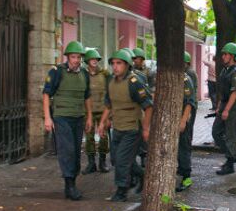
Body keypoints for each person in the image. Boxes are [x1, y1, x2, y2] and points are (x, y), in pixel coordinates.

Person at [99, 49, 153, 202]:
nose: (115, 67)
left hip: (132, 128)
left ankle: (121, 191)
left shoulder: (134, 82)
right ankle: (141, 175)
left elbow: (148, 106)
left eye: (119, 63)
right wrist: (103, 123)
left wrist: (146, 129)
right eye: (113, 63)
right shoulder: (111, 81)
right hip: (118, 127)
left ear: (127, 65)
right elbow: (108, 105)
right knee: (116, 159)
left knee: (122, 160)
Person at [42, 40, 92, 200]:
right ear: (68, 57)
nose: (76, 60)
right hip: (61, 117)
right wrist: (47, 118)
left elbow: (87, 96)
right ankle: (69, 185)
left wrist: (90, 116)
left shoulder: (84, 74)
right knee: (67, 151)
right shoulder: (57, 71)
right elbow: (46, 94)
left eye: (78, 57)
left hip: (78, 117)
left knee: (76, 151)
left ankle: (71, 183)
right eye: (73, 57)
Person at [212, 42, 236, 175]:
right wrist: (219, 106)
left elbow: (234, 92)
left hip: (232, 104)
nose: (223, 56)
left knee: (230, 134)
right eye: (223, 54)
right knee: (216, 132)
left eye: (226, 54)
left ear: (232, 56)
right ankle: (232, 156)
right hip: (225, 103)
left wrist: (226, 110)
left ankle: (230, 164)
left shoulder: (235, 72)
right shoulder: (225, 70)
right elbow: (222, 91)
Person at [82, 48, 111, 174]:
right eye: (91, 59)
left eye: (96, 59)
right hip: (88, 111)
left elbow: (111, 93)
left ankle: (102, 162)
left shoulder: (105, 75)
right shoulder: (83, 75)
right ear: (87, 61)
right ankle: (91, 163)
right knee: (89, 137)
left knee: (103, 136)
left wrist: (110, 115)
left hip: (103, 110)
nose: (94, 61)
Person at [176, 72, 197, 192]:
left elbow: (189, 102)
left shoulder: (185, 79)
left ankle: (187, 178)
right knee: (179, 150)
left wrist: (183, 121)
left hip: (183, 119)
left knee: (184, 148)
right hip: (175, 118)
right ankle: (182, 170)